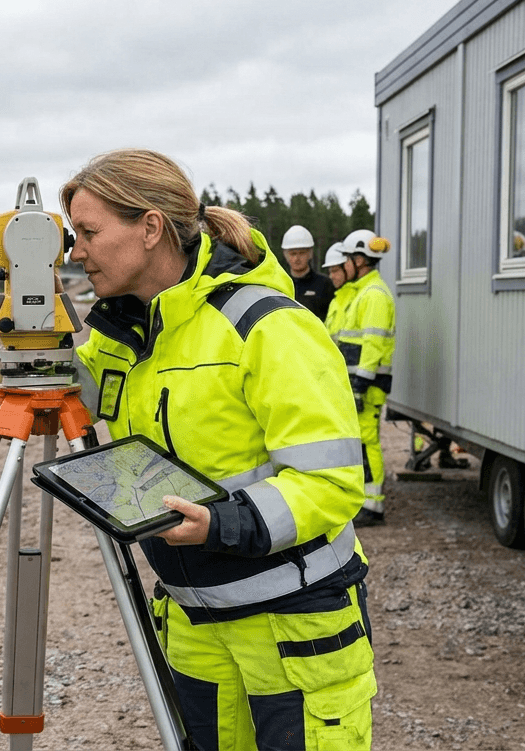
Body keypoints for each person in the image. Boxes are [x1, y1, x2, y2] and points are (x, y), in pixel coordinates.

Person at [62, 149, 376, 750]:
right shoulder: (131, 334)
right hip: (194, 623)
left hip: (291, 626)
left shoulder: (266, 327)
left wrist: (219, 523)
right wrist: (35, 338)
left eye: (90, 233)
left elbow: (332, 483)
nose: (77, 251)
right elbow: (83, 391)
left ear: (150, 228)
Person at [335, 230, 396, 528]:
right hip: (361, 382)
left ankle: (373, 507)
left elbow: (372, 345)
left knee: (368, 440)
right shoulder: (363, 292)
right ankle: (366, 502)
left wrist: (360, 384)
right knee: (361, 440)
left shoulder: (373, 295)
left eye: (346, 259)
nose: (344, 265)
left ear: (359, 260)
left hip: (367, 385)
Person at [280, 225, 335, 321]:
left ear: (310, 254)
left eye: (301, 253)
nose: (297, 258)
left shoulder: (325, 285)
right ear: (285, 255)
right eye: (293, 254)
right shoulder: (280, 285)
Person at [321, 243, 353, 341]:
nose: (331, 276)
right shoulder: (335, 301)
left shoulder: (358, 298)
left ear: (348, 267)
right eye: (330, 272)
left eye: (335, 271)